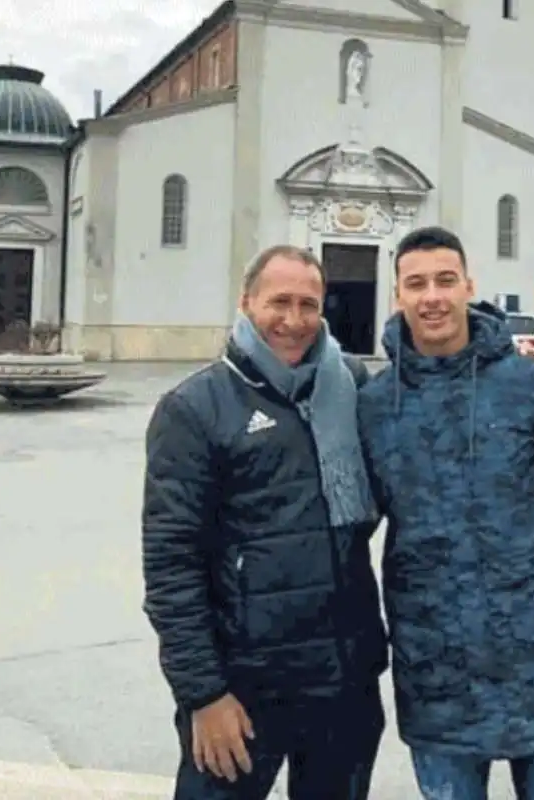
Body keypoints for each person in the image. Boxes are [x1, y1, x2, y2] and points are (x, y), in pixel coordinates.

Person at [356, 226, 534, 800]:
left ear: (468, 286)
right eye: (416, 284)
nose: (431, 296)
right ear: (398, 297)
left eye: (444, 280)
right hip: (438, 680)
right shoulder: (375, 405)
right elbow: (341, 530)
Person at [141, 244, 387, 799]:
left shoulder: (352, 386)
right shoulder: (195, 408)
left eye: (308, 304)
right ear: (246, 302)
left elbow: (419, 444)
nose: (294, 321)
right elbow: (170, 565)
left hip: (343, 683)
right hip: (242, 689)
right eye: (279, 302)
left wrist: (506, 367)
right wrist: (203, 694)